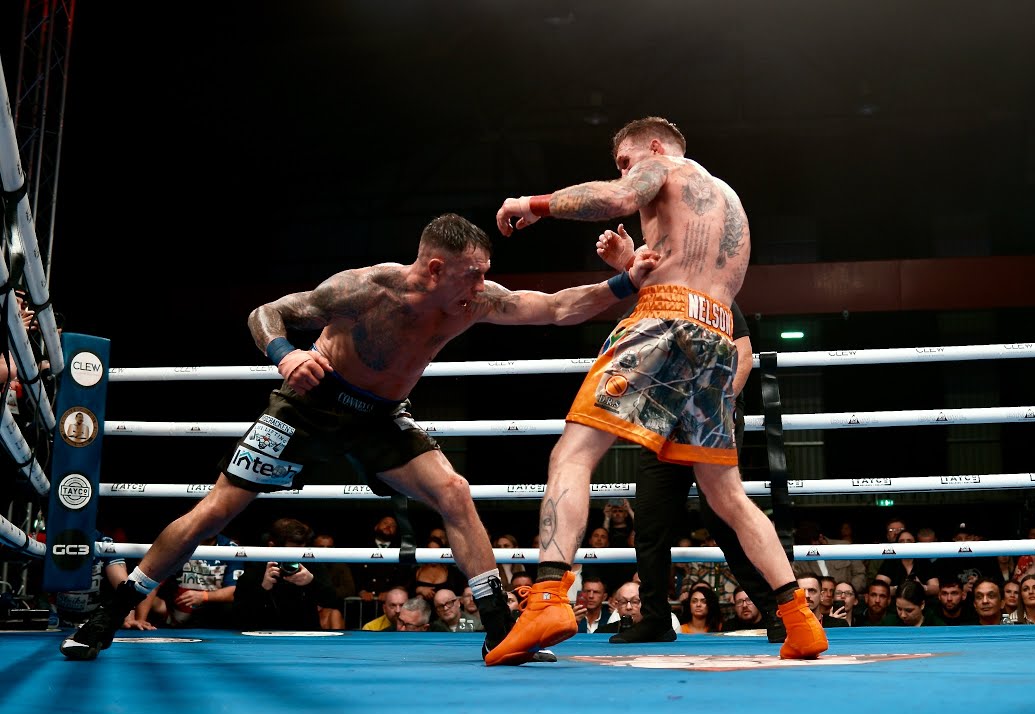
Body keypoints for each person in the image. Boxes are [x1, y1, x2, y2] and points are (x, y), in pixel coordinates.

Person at [59, 212, 659, 661]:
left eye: (483, 274)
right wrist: (285, 354)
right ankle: (109, 614)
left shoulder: (471, 303)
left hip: (381, 417)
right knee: (215, 511)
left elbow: (554, 307)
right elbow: (266, 312)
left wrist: (624, 283)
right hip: (309, 404)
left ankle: (499, 628)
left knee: (453, 492)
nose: (481, 285)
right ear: (434, 268)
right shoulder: (364, 290)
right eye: (472, 274)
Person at [488, 116, 826, 665]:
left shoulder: (661, 165)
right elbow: (689, 267)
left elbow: (616, 198)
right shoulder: (729, 200)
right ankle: (799, 620)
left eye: (626, 160)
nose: (626, 170)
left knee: (573, 453)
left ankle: (548, 596)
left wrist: (533, 204)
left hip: (664, 321)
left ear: (651, 146)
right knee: (727, 494)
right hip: (716, 335)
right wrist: (630, 264)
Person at [592, 230, 786, 644]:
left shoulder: (715, 295)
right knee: (650, 522)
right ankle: (655, 619)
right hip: (663, 423)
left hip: (711, 420)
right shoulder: (649, 303)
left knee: (724, 518)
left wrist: (717, 407)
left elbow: (744, 355)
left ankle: (776, 609)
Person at [231, 518, 343, 630]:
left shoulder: (310, 563)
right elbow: (239, 615)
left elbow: (334, 602)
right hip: (265, 633)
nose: (296, 557)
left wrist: (312, 582)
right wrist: (263, 588)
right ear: (272, 546)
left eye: (301, 550)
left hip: (305, 633)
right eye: (291, 551)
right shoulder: (257, 566)